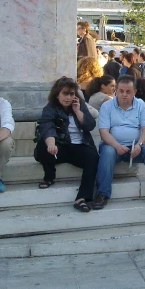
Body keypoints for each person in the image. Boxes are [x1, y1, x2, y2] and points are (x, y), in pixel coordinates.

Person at [93, 75, 145, 209]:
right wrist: (117, 146)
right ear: (116, 91)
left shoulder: (140, 105)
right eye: (121, 91)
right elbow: (104, 132)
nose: (124, 95)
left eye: (128, 91)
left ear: (134, 92)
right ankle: (102, 194)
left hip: (135, 144)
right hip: (113, 145)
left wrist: (139, 145)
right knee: (107, 152)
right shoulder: (107, 106)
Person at [34, 77, 99, 212]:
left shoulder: (80, 105)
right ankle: (49, 177)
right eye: (65, 93)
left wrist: (77, 111)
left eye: (71, 94)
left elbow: (90, 125)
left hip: (79, 146)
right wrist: (51, 144)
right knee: (42, 148)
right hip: (60, 146)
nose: (68, 97)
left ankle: (82, 198)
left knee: (93, 157)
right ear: (57, 94)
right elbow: (47, 127)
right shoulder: (50, 108)